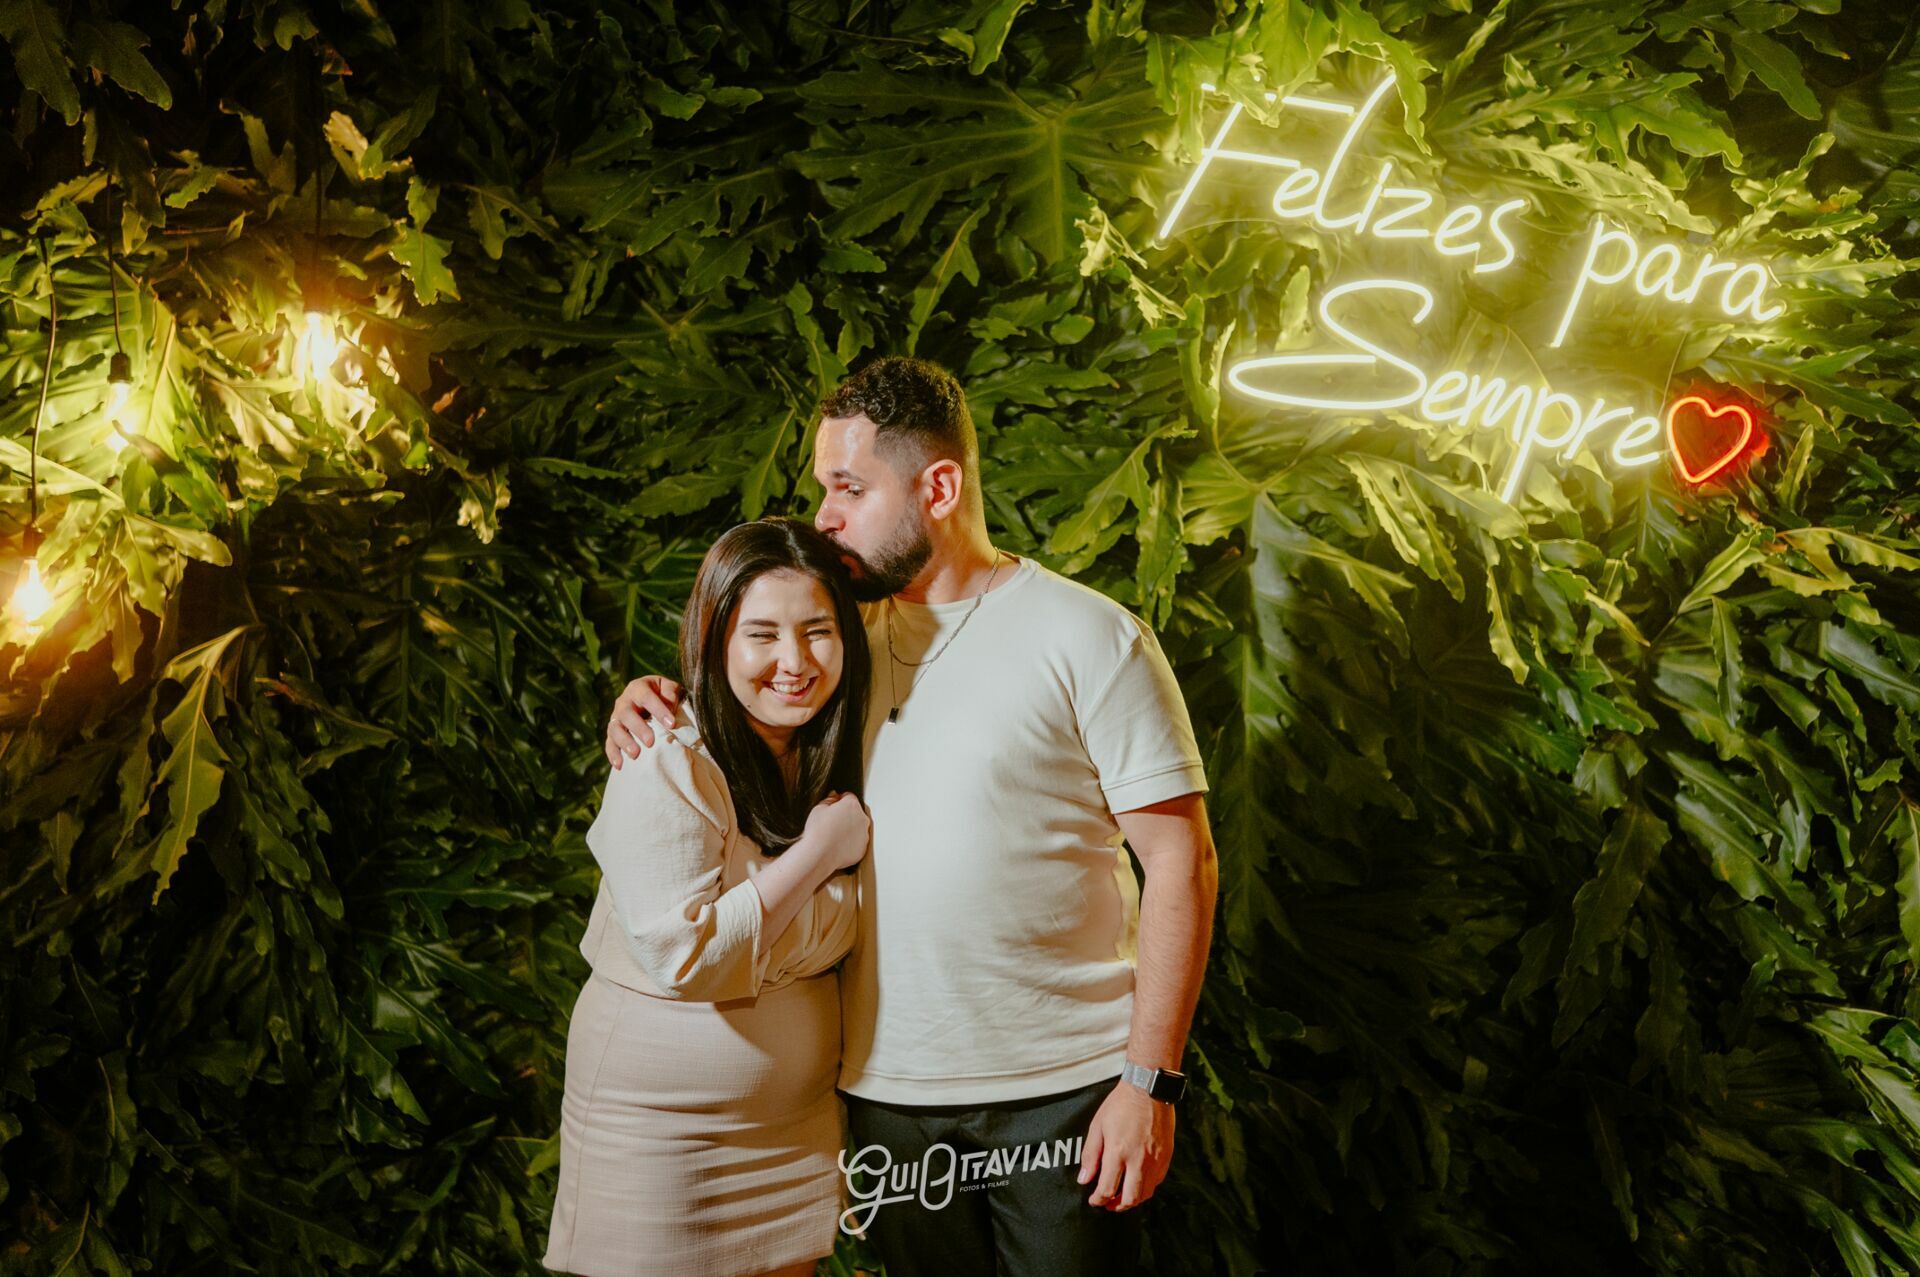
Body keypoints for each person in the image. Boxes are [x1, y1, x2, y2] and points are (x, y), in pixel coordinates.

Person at [605, 358, 1220, 1276]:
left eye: (850, 487)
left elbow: (1183, 865)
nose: (825, 515)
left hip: (1066, 1096)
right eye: (823, 488)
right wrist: (651, 697)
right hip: (886, 1096)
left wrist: (1149, 1083)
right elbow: (735, 709)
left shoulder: (1090, 635)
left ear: (938, 486)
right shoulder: (832, 646)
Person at [545, 518, 875, 1277]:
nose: (794, 662)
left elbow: (833, 928)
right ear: (714, 635)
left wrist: (758, 921)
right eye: (762, 634)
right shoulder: (665, 752)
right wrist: (821, 855)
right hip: (664, 1137)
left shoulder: (836, 746)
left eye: (817, 631)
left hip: (790, 1130)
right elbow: (689, 953)